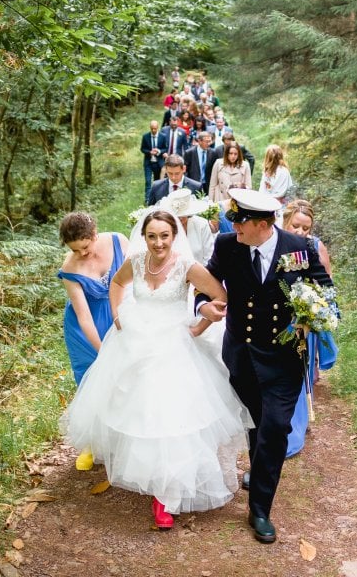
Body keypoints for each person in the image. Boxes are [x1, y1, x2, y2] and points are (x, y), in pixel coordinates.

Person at [61, 209, 252, 531]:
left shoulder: (186, 265)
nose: (158, 242)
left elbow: (220, 297)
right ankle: (149, 475)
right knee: (138, 413)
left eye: (164, 235)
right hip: (134, 343)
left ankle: (165, 495)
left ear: (173, 236)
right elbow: (117, 286)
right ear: (145, 237)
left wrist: (200, 326)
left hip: (174, 345)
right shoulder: (136, 261)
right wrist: (118, 316)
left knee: (170, 417)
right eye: (152, 236)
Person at [196, 189, 333, 544]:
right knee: (257, 422)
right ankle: (258, 474)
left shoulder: (299, 248)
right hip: (241, 354)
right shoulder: (227, 245)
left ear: (261, 224)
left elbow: (326, 291)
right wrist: (203, 307)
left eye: (240, 222)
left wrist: (310, 318)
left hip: (284, 357)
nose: (233, 227)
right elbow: (206, 283)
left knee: (275, 427)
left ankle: (260, 508)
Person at [56, 212, 129, 471]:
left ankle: (127, 437)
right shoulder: (69, 269)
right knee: (91, 380)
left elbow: (137, 279)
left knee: (129, 377)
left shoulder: (119, 242)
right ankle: (91, 442)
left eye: (85, 247)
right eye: (75, 250)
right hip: (86, 329)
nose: (82, 254)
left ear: (95, 234)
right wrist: (103, 351)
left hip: (120, 313)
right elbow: (84, 316)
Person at [279, 199, 337, 457]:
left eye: (306, 228)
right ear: (285, 221)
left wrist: (316, 308)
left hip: (303, 319)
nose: (301, 232)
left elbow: (326, 283)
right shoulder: (276, 244)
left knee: (299, 372)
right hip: (277, 316)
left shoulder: (314, 246)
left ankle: (295, 425)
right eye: (296, 226)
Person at [160, 188, 216, 265]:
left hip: (201, 273)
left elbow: (209, 255)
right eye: (177, 216)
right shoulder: (164, 228)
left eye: (184, 215)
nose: (180, 218)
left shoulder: (201, 224)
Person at [139, 120, 163, 204]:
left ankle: (156, 198)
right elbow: (142, 149)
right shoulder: (145, 136)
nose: (153, 130)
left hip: (158, 163)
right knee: (148, 181)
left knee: (157, 182)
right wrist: (149, 152)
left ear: (158, 128)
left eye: (155, 129)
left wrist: (159, 151)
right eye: (152, 129)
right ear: (150, 128)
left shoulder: (162, 136)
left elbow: (165, 148)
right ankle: (147, 200)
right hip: (148, 163)